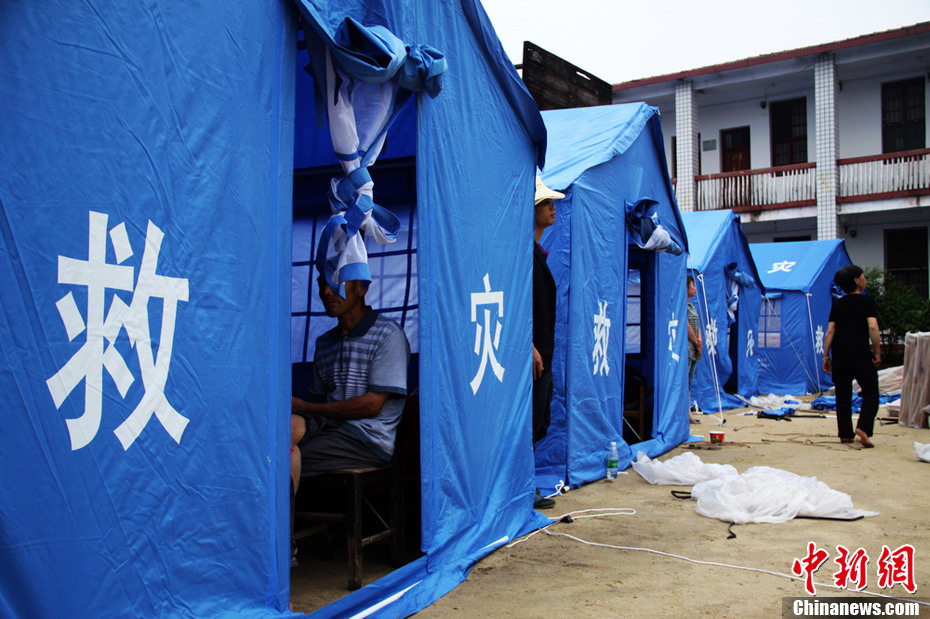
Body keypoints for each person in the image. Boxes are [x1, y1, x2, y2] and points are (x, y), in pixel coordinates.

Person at [290, 274, 410, 502]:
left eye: (336, 282)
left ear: (362, 288)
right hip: (329, 428)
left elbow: (372, 406)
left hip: (366, 439)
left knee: (280, 459)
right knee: (273, 441)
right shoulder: (324, 343)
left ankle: (284, 536)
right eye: (321, 283)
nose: (326, 291)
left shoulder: (388, 335)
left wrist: (305, 407)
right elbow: (315, 403)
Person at [822, 264, 880, 448]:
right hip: (860, 351)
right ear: (856, 280)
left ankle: (845, 434)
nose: (865, 279)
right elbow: (872, 327)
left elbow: (830, 331)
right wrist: (877, 351)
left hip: (839, 353)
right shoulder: (866, 302)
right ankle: (863, 427)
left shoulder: (838, 304)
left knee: (843, 392)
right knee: (871, 390)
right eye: (863, 276)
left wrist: (826, 356)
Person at [532, 176, 563, 509]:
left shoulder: (539, 253)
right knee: (527, 421)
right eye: (545, 203)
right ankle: (524, 486)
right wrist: (528, 346)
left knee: (540, 420)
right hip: (532, 355)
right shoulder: (522, 254)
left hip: (545, 355)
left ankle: (528, 483)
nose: (553, 208)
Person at [686, 275, 703, 424]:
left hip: (694, 347)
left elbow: (696, 324)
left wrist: (700, 340)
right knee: (685, 381)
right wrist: (696, 342)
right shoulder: (683, 305)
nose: (695, 288)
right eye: (693, 285)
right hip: (688, 347)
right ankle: (685, 414)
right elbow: (687, 326)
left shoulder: (691, 305)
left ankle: (688, 413)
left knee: (689, 382)